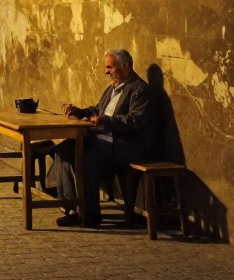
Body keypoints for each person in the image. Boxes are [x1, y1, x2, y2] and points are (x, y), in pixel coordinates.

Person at [47, 48, 157, 228]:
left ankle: (89, 215)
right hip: (100, 140)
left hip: (122, 145)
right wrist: (79, 111)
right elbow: (97, 109)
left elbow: (135, 120)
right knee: (63, 150)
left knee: (85, 159)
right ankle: (72, 208)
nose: (106, 71)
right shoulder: (112, 88)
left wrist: (106, 121)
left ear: (126, 67)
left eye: (109, 67)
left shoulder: (140, 90)